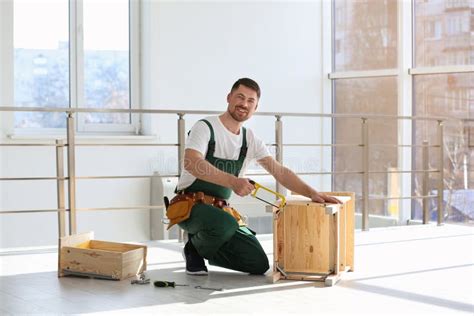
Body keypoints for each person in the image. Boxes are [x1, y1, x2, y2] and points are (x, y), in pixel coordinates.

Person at [166, 78, 341, 276]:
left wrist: (313, 193)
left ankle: (207, 243)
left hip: (220, 210)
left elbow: (279, 171)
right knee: (225, 225)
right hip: (190, 207)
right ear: (229, 98)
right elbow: (192, 162)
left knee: (257, 263)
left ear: (255, 107)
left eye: (251, 101)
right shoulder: (206, 127)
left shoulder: (249, 139)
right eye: (240, 97)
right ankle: (194, 248)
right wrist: (233, 181)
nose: (244, 104)